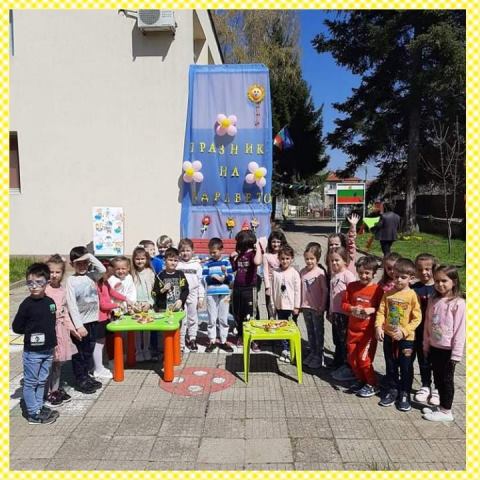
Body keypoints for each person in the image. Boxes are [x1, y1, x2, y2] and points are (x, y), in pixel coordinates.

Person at [12, 263, 59, 424]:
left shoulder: (50, 302)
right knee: (31, 382)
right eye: (30, 283)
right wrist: (31, 331)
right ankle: (33, 413)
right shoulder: (26, 305)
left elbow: (52, 325)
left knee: (42, 380)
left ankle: (39, 406)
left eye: (39, 282)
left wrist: (54, 346)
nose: (34, 286)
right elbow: (17, 327)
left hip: (48, 350)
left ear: (47, 282)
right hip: (32, 352)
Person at [375, 258, 421, 412]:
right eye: (396, 276)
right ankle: (393, 389)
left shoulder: (412, 295)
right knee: (391, 364)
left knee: (406, 367)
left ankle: (405, 393)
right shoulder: (388, 294)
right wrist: (378, 327)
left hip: (406, 340)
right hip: (389, 337)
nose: (399, 280)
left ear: (411, 278)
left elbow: (417, 318)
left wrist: (404, 331)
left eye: (403, 277)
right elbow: (381, 312)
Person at [422, 265, 466, 422]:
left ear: (454, 282)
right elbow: (428, 324)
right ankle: (441, 407)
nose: (440, 284)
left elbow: (460, 330)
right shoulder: (433, 300)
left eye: (444, 281)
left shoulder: (459, 303)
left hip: (448, 351)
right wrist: (426, 344)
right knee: (438, 379)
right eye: (437, 281)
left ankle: (447, 412)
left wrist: (456, 354)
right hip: (434, 347)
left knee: (446, 381)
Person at [342, 256, 384, 397]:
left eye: (367, 273)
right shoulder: (352, 287)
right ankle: (361, 380)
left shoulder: (378, 290)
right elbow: (344, 304)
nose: (363, 276)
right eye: (360, 273)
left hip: (368, 333)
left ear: (374, 273)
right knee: (352, 359)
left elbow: (382, 309)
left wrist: (371, 310)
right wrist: (352, 308)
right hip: (352, 331)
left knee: (364, 359)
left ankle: (372, 384)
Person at [66, 247, 106, 394]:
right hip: (81, 323)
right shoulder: (71, 281)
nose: (82, 266)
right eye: (78, 263)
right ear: (72, 264)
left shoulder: (91, 276)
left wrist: (89, 256)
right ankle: (80, 379)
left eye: (85, 262)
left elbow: (102, 269)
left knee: (88, 350)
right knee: (79, 353)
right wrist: (78, 326)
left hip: (93, 320)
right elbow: (71, 305)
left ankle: (86, 375)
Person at [45, 255, 80, 406]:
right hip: (48, 331)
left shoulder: (62, 290)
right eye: (51, 271)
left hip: (61, 331)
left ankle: (55, 389)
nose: (54, 275)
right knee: (48, 363)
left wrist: (72, 329)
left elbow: (65, 313)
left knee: (58, 363)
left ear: (62, 273)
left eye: (57, 272)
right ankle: (47, 392)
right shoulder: (43, 289)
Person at [412, 253, 439, 405]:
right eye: (420, 269)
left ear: (433, 269)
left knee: (437, 361)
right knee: (423, 360)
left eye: (427, 269)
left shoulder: (439, 287)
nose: (424, 272)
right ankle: (425, 385)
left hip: (436, 334)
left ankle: (438, 388)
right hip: (419, 332)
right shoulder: (414, 288)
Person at [327, 247, 356, 381]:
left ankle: (347, 365)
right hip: (336, 313)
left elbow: (354, 294)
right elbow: (332, 296)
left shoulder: (347, 275)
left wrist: (352, 312)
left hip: (345, 314)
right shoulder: (334, 275)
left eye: (337, 260)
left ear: (345, 261)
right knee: (337, 339)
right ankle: (338, 361)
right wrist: (331, 311)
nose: (334, 263)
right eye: (332, 260)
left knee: (344, 340)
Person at [231, 230, 263, 351]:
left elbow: (257, 262)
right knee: (238, 313)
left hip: (250, 288)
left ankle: (254, 339)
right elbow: (234, 268)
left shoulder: (253, 254)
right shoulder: (240, 254)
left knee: (251, 314)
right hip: (238, 288)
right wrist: (232, 258)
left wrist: (258, 247)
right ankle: (241, 335)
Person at [202, 238, 233, 353]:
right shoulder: (208, 264)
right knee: (212, 317)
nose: (212, 254)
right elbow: (204, 278)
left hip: (224, 293)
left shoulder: (226, 262)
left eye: (214, 252)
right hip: (211, 293)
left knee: (223, 318)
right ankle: (212, 340)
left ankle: (223, 341)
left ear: (221, 250)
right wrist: (213, 277)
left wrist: (224, 277)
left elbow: (231, 277)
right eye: (210, 252)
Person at [270, 245, 301, 363]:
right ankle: (285, 349)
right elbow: (273, 290)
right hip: (280, 305)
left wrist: (296, 306)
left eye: (287, 258)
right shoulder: (275, 273)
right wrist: (273, 305)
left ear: (292, 259)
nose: (285, 261)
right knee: (282, 328)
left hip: (291, 307)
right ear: (279, 259)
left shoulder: (294, 273)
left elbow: (297, 290)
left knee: (291, 329)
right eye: (282, 258)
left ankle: (292, 349)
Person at [96, 261, 128, 375]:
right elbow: (103, 305)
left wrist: (126, 298)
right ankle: (98, 368)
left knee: (110, 339)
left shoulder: (105, 283)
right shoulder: (97, 285)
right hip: (100, 318)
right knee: (99, 343)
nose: (109, 277)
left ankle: (111, 362)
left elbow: (112, 292)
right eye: (108, 275)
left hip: (107, 317)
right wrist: (117, 305)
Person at [300, 243, 328, 369]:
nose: (309, 261)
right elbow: (300, 289)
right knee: (310, 331)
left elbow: (325, 291)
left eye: (312, 258)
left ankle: (319, 356)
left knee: (318, 333)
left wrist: (322, 306)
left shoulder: (320, 273)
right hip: (306, 307)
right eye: (307, 258)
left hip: (317, 308)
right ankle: (312, 352)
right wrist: (300, 304)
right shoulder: (302, 272)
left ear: (317, 258)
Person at [176, 238, 205, 352]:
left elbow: (200, 282)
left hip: (193, 294)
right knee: (182, 319)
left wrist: (201, 297)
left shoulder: (197, 265)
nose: (185, 253)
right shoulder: (177, 264)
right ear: (179, 252)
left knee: (193, 318)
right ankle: (181, 342)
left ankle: (192, 339)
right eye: (183, 250)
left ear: (193, 251)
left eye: (188, 250)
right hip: (181, 295)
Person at [131, 246, 156, 361]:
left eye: (142, 259)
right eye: (137, 259)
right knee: (137, 330)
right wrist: (133, 304)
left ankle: (146, 350)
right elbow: (129, 291)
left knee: (146, 330)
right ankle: (138, 351)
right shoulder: (132, 273)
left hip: (147, 305)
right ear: (133, 259)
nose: (140, 261)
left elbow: (154, 291)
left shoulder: (150, 272)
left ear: (146, 259)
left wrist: (150, 303)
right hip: (136, 305)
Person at [152, 247, 189, 313]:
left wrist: (181, 300)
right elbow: (154, 292)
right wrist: (163, 290)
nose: (173, 263)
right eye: (170, 260)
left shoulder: (180, 274)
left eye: (175, 260)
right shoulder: (160, 276)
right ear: (164, 260)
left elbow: (185, 290)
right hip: (163, 310)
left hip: (177, 309)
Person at [262, 230, 287, 319]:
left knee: (282, 308)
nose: (276, 244)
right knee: (271, 310)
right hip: (271, 284)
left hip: (282, 285)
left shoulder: (285, 255)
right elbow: (265, 272)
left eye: (278, 242)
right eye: (273, 242)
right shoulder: (266, 256)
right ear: (270, 243)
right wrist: (267, 287)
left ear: (282, 242)